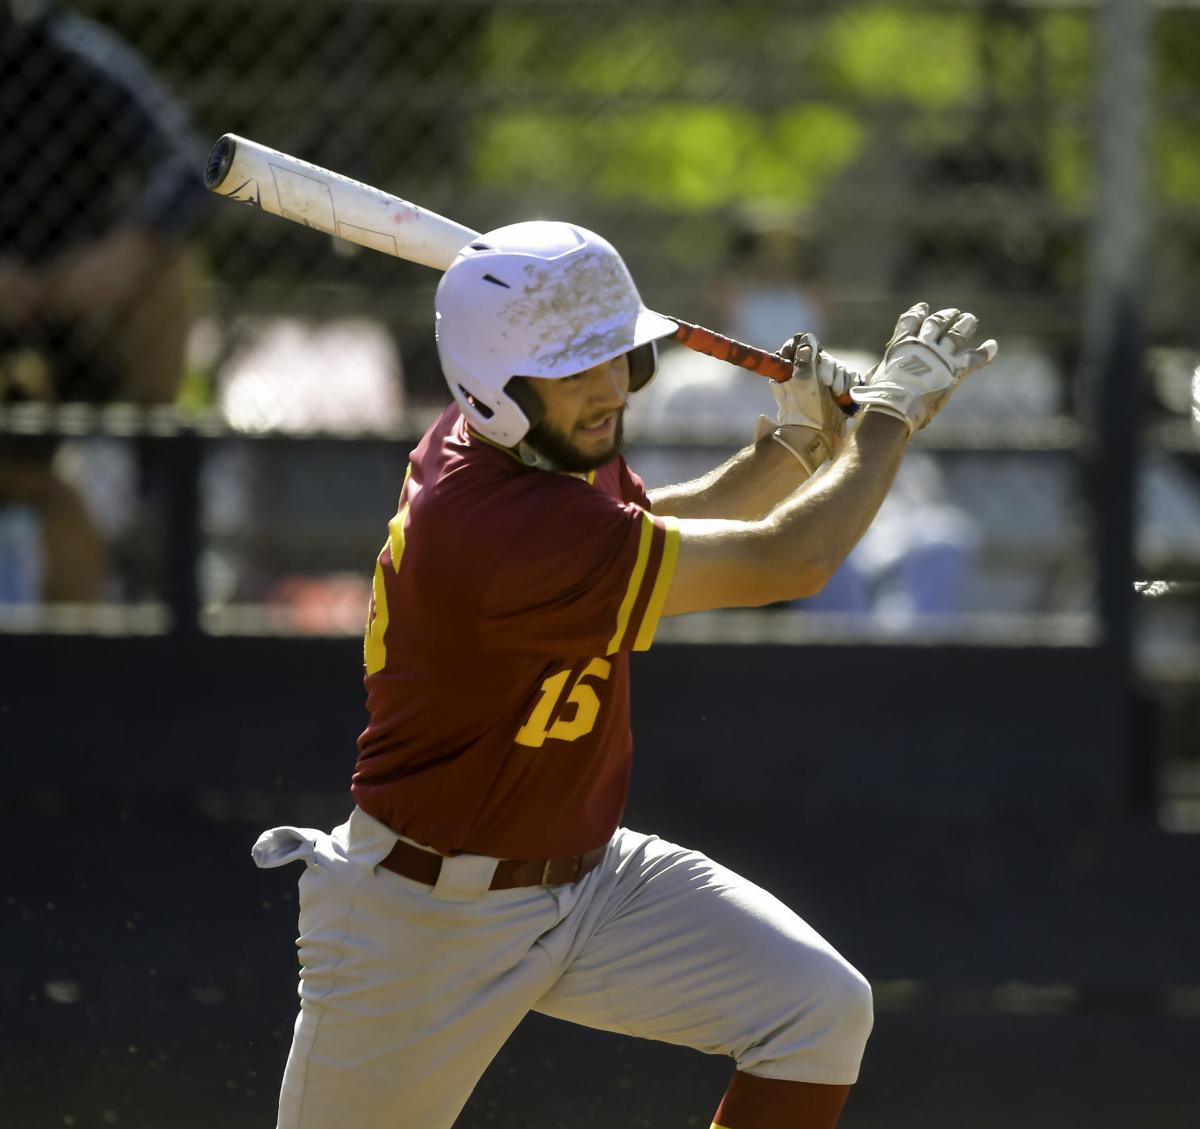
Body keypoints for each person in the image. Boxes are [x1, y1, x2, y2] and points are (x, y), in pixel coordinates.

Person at [251, 221, 997, 1129]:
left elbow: (651, 525)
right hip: (423, 915)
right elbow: (788, 562)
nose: (610, 389)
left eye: (618, 357)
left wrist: (796, 447)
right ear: (495, 386)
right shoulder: (494, 529)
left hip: (590, 877)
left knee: (817, 1010)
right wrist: (887, 417)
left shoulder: (528, 446)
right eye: (576, 367)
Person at [0, 0, 208, 602]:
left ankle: (150, 460)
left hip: (73, 317)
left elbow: (190, 163)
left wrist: (120, 253)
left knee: (168, 266)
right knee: (60, 500)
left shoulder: (68, 55)